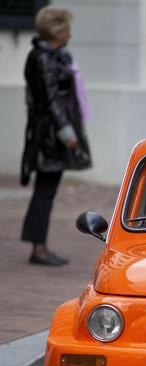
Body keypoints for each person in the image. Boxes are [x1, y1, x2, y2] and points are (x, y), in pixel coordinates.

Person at [20, 6, 92, 266]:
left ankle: (37, 244)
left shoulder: (57, 55)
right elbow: (50, 100)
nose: (70, 34)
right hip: (49, 136)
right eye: (67, 29)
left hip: (52, 134)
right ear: (57, 30)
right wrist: (67, 133)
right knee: (45, 191)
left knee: (46, 190)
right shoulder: (42, 58)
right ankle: (38, 249)